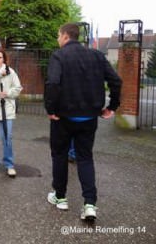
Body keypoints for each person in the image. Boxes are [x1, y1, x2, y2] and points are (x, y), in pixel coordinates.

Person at [44, 23, 122, 221]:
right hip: (89, 118)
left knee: (60, 155)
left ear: (65, 36)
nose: (57, 39)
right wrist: (112, 107)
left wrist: (51, 110)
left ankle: (60, 197)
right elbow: (116, 80)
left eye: (58, 35)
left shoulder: (59, 56)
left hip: (63, 118)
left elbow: (52, 83)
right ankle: (89, 204)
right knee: (85, 158)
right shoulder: (96, 55)